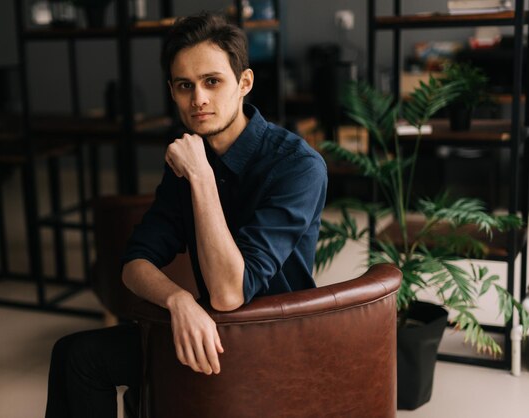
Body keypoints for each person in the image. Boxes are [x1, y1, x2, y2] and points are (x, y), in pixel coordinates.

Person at [45, 12, 327, 418]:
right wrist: (178, 300)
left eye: (212, 81)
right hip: (208, 326)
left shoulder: (297, 166)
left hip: (271, 336)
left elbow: (230, 293)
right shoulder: (192, 156)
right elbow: (134, 262)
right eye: (185, 86)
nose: (198, 100)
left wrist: (200, 175)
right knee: (75, 354)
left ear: (244, 83)